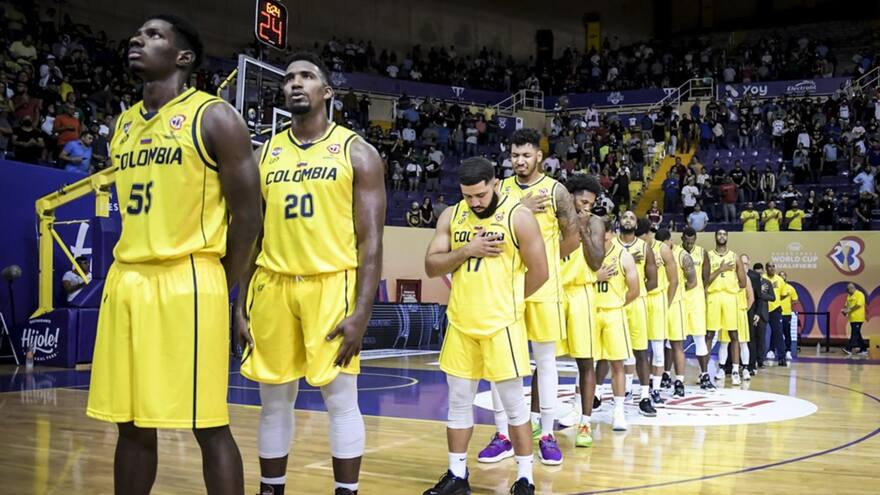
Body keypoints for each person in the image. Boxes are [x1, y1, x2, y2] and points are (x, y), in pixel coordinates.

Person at [87, 15, 262, 495]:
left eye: (154, 35)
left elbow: (249, 216)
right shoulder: (122, 125)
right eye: (137, 33)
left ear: (183, 58)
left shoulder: (214, 117)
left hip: (187, 278)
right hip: (127, 281)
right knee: (130, 422)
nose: (137, 39)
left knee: (207, 422)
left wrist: (221, 283)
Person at [233, 52, 385, 495]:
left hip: (330, 285)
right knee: (273, 401)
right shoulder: (264, 154)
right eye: (289, 78)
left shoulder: (357, 151)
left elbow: (371, 241)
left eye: (306, 77)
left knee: (340, 399)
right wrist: (238, 306)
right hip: (272, 286)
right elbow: (253, 237)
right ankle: (270, 489)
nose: (295, 83)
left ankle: (346, 492)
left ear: (326, 92)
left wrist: (362, 312)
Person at [423, 157, 547, 495]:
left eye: (480, 195)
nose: (474, 202)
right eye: (468, 196)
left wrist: (511, 303)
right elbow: (432, 266)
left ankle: (525, 479)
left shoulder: (518, 217)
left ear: (495, 183)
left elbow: (540, 271)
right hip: (461, 323)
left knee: (513, 406)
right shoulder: (452, 215)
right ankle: (456, 475)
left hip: (501, 324)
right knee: (459, 402)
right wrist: (468, 250)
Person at [481, 129, 579, 466]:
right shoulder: (500, 189)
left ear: (540, 155)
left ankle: (548, 434)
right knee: (500, 363)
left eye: (526, 155)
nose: (519, 161)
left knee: (546, 362)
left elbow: (572, 238)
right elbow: (487, 229)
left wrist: (545, 262)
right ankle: (503, 435)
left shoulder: (556, 191)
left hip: (543, 289)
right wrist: (518, 207)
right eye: (514, 155)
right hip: (506, 289)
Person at [556, 174, 607, 447]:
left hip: (582, 294)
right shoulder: (555, 218)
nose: (586, 206)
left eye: (591, 202)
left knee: (586, 361)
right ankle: (540, 421)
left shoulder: (596, 222)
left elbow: (597, 262)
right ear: (570, 196)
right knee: (545, 361)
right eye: (582, 200)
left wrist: (585, 231)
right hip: (554, 292)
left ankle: (585, 423)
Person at [596, 211, 658, 417]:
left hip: (635, 303)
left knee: (640, 351)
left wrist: (634, 295)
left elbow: (653, 280)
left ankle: (644, 396)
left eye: (632, 217)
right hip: (611, 305)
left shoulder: (645, 246)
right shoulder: (609, 244)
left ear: (636, 223)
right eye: (625, 217)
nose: (629, 220)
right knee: (605, 353)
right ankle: (596, 394)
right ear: (618, 223)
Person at [593, 215, 641, 430]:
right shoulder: (585, 254)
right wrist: (595, 277)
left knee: (617, 364)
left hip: (613, 313)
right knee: (584, 364)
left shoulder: (624, 256)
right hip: (590, 313)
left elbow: (634, 290)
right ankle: (581, 408)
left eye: (598, 230)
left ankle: (618, 412)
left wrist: (617, 304)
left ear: (610, 233)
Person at [642, 221, 678, 408]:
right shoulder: (632, 248)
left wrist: (667, 302)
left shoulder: (662, 249)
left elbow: (674, 280)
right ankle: (635, 387)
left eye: (646, 234)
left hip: (657, 300)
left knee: (657, 348)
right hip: (639, 300)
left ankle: (655, 389)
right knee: (636, 349)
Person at [705, 230, 747, 385]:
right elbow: (705, 280)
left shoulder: (734, 257)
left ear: (727, 238)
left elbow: (743, 283)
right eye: (719, 234)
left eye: (724, 235)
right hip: (714, 296)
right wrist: (720, 270)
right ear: (715, 237)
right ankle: (704, 372)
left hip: (730, 297)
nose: (722, 236)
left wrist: (731, 284)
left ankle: (735, 370)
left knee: (734, 334)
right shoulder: (708, 256)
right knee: (709, 335)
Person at [661, 228, 696, 395]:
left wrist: (679, 292)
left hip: (675, 304)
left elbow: (693, 281)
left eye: (666, 243)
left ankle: (680, 382)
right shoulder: (654, 251)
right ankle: (663, 376)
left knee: (676, 345)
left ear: (670, 241)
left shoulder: (682, 255)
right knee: (658, 345)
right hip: (659, 303)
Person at [679, 227, 715, 391]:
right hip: (679, 300)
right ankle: (667, 375)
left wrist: (698, 289)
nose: (689, 243)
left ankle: (705, 375)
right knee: (673, 341)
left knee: (700, 339)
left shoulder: (702, 253)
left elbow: (705, 278)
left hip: (697, 301)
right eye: (687, 241)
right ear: (682, 238)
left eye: (692, 241)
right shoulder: (676, 252)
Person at [745, 260, 774, 373]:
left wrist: (761, 294)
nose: (758, 274)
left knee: (760, 339)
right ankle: (750, 361)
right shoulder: (750, 280)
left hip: (762, 314)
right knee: (750, 338)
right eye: (756, 272)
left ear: (762, 272)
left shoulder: (767, 283)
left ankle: (760, 360)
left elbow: (773, 297)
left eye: (760, 272)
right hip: (751, 312)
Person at [763, 263, 788, 366]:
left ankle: (782, 357)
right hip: (763, 309)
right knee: (759, 334)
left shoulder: (780, 280)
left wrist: (775, 302)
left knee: (778, 333)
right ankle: (758, 358)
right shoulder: (762, 278)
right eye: (769, 266)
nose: (772, 268)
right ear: (766, 268)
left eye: (773, 266)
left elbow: (783, 295)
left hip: (775, 310)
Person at [842, 283, 868, 356]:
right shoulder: (849, 296)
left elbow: (858, 305)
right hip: (852, 318)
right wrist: (844, 311)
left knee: (854, 334)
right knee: (857, 334)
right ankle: (863, 349)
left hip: (858, 318)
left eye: (848, 290)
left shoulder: (859, 294)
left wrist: (849, 309)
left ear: (852, 288)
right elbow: (846, 305)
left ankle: (848, 349)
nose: (847, 291)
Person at [779, 271, 799, 363]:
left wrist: (790, 305)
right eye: (780, 275)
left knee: (787, 332)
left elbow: (795, 299)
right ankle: (772, 350)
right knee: (776, 333)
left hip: (786, 313)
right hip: (776, 313)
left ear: (786, 277)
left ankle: (788, 351)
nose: (782, 277)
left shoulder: (790, 288)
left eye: (783, 275)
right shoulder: (776, 287)